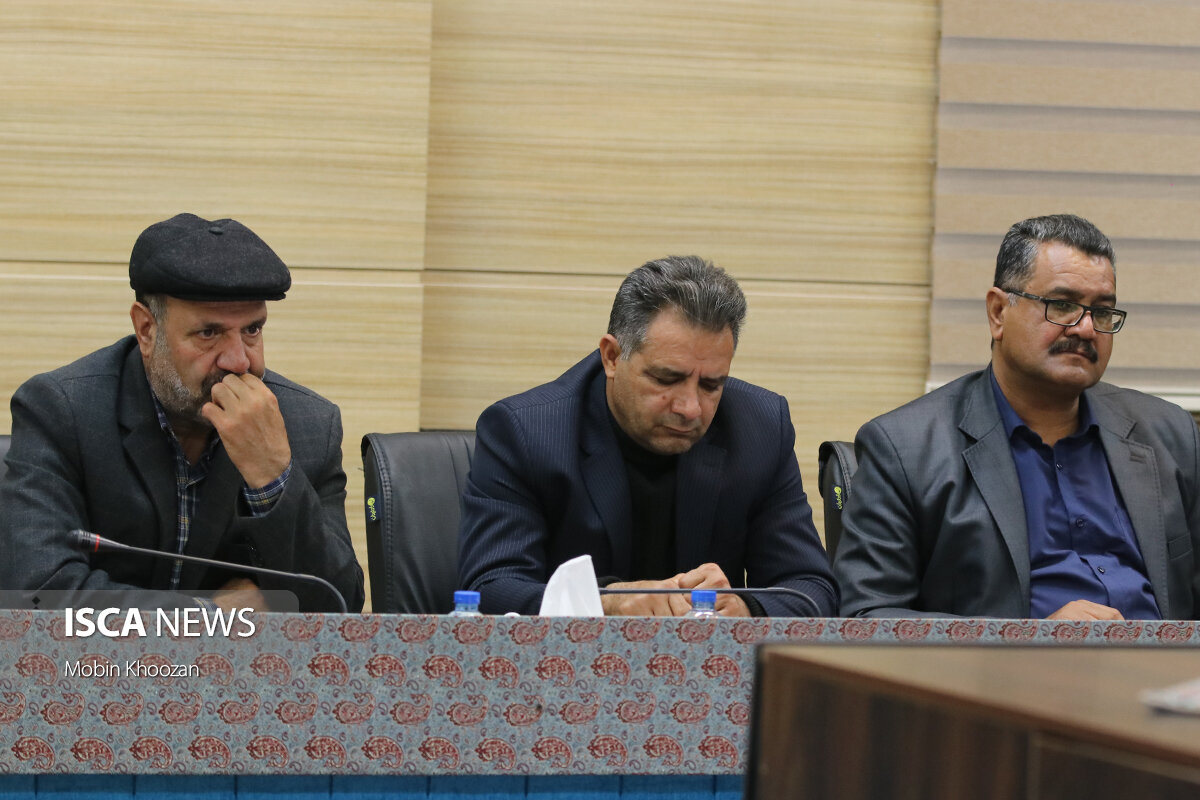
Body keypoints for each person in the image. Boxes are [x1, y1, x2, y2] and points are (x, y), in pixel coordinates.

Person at [835, 214, 1200, 619]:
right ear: (998, 313)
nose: (1085, 329)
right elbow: (869, 617)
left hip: (1165, 660)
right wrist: (1028, 642)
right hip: (1006, 662)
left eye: (1101, 312)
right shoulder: (905, 449)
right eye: (1062, 305)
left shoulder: (1170, 434)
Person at [0, 213, 364, 612]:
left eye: (252, 330)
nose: (239, 361)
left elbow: (338, 608)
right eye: (209, 333)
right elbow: (38, 595)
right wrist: (208, 616)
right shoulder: (62, 410)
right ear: (146, 330)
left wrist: (273, 478)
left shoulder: (309, 426)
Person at [457, 256, 838, 617]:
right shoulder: (525, 432)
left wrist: (747, 608)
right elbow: (490, 589)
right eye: (666, 379)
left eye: (711, 385)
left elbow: (812, 590)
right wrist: (604, 603)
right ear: (612, 357)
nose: (690, 407)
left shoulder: (759, 428)